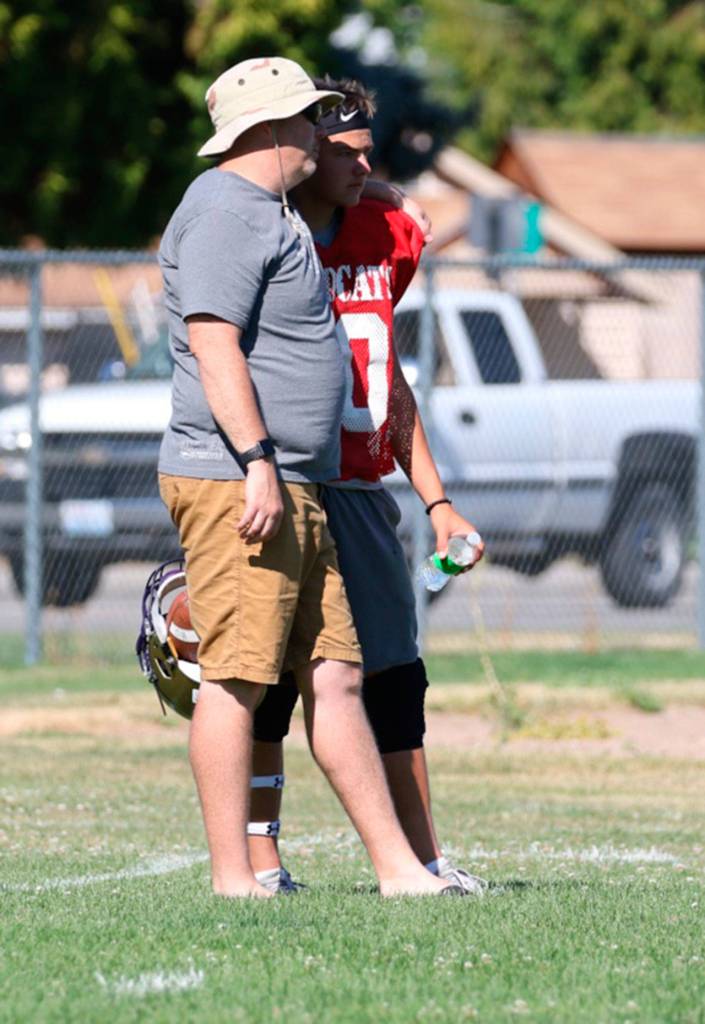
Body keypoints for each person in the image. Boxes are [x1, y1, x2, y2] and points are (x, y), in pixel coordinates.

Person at [157, 56, 459, 899]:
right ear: (271, 130)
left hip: (300, 479)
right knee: (241, 678)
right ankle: (235, 875)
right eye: (305, 121)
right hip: (244, 478)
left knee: (337, 674)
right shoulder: (224, 211)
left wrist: (392, 196)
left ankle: (400, 868)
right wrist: (255, 460)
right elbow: (215, 344)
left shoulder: (268, 208)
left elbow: (352, 186)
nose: (319, 137)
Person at [247, 76, 487, 895]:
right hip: (278, 480)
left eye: (366, 152)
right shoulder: (260, 233)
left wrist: (437, 499)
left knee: (393, 672)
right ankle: (260, 860)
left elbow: (384, 378)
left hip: (359, 486)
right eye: (341, 152)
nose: (361, 166)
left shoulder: (387, 232)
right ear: (301, 149)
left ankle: (423, 857)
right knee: (267, 678)